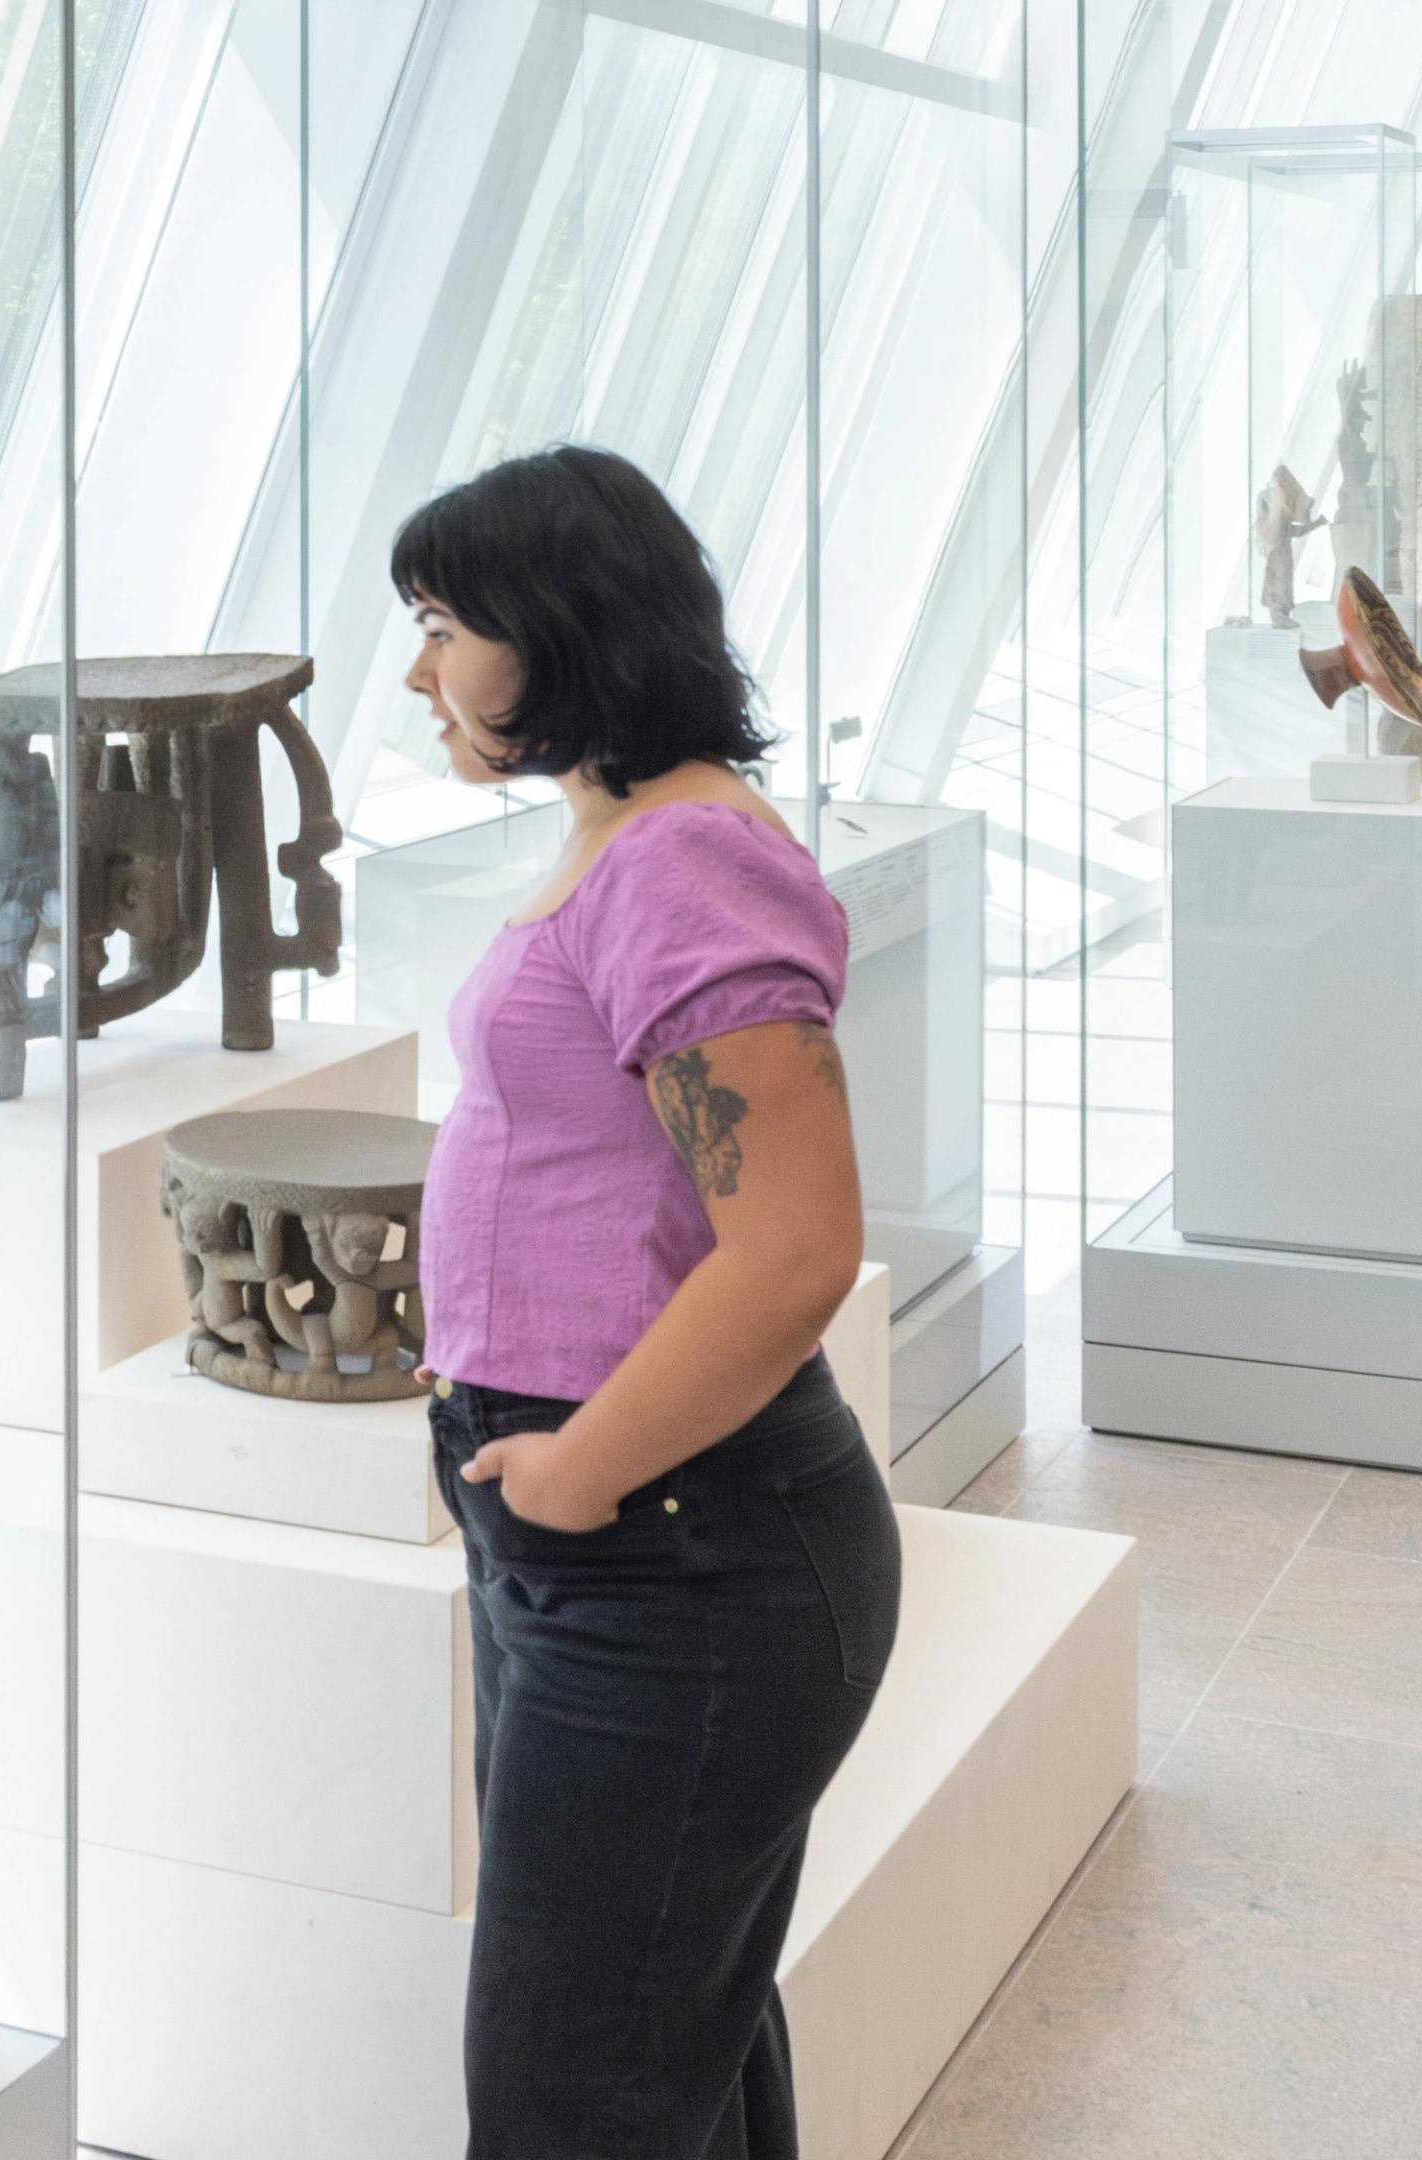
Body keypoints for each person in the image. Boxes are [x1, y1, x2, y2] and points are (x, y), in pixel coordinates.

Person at [394, 444, 900, 2159]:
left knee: (574, 2106)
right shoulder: (624, 834)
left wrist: (579, 1475)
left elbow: (793, 1247)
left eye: (446, 623)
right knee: (664, 2057)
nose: (420, 673)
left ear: (561, 627)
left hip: (673, 1549)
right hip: (604, 1535)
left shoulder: (683, 860)